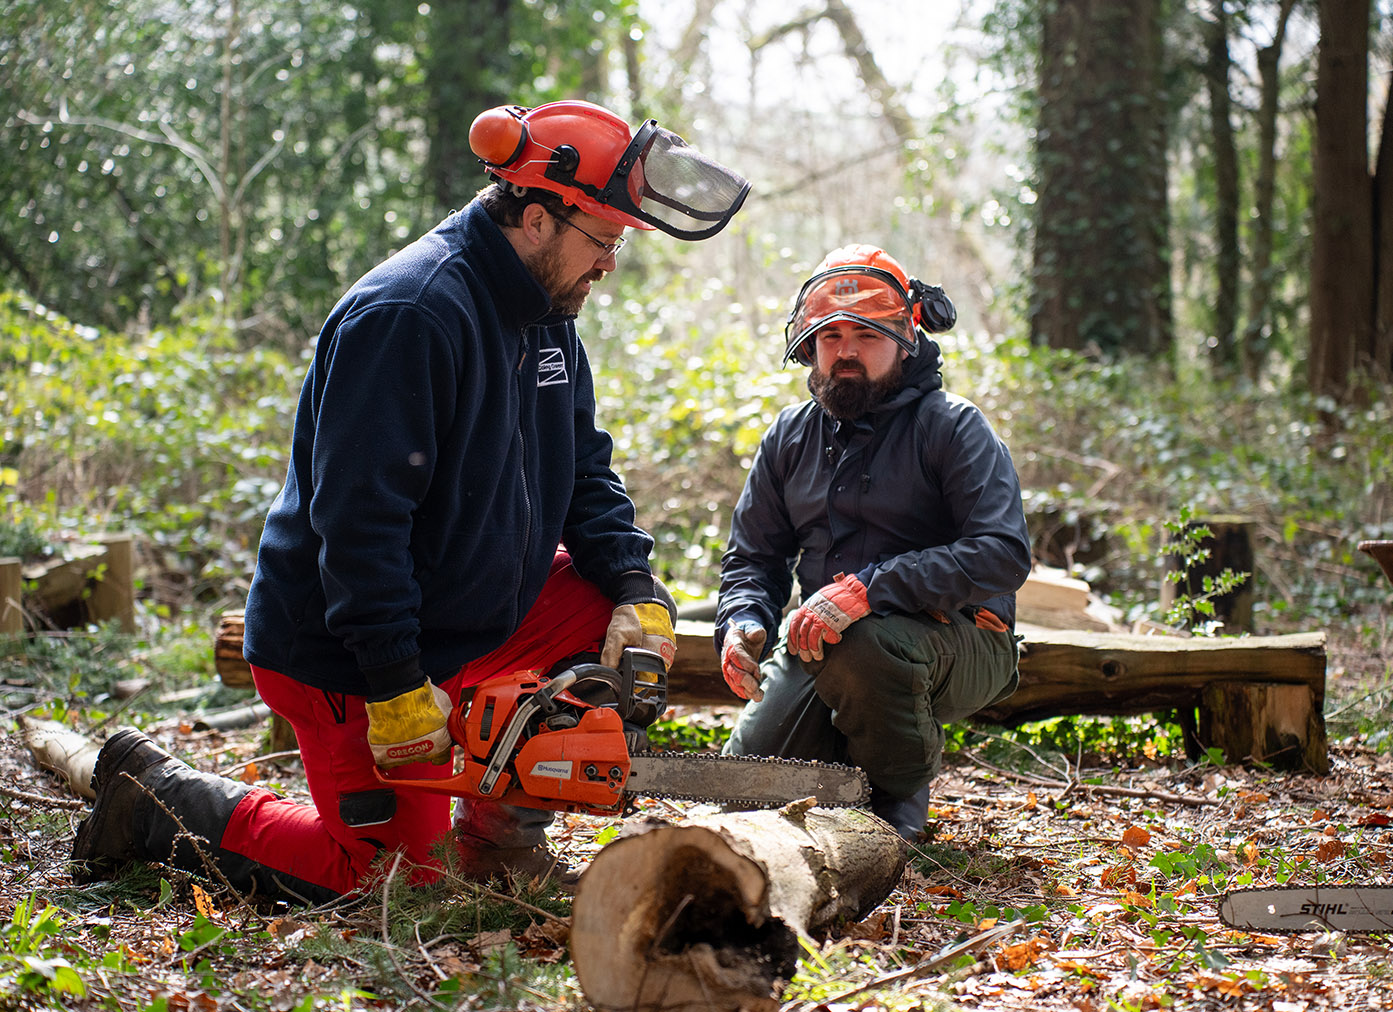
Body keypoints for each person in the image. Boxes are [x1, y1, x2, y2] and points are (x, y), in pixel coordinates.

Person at [70, 99, 749, 904]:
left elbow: (582, 467)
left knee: (608, 616)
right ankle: (152, 796)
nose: (607, 265)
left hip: (466, 617)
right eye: (601, 241)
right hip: (348, 648)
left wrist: (637, 588)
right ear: (537, 218)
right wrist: (393, 681)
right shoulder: (410, 313)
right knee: (395, 883)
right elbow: (359, 524)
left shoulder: (546, 311)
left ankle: (498, 841)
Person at [715, 244, 1031, 841]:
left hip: (962, 637)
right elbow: (754, 557)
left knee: (864, 645)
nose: (847, 351)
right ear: (809, 345)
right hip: (822, 641)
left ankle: (896, 797)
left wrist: (872, 588)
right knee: (742, 793)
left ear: (905, 338)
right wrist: (743, 620)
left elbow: (1003, 553)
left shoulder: (953, 425)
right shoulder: (789, 436)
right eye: (831, 336)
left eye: (867, 334)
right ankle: (845, 752)